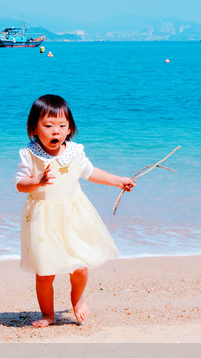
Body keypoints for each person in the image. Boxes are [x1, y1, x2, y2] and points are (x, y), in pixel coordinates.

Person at [15, 94, 135, 327]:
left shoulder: (74, 152)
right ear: (34, 129)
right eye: (48, 126)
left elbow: (90, 172)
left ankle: (77, 299)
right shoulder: (29, 154)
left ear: (70, 129)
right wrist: (36, 180)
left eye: (61, 126)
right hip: (42, 219)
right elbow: (20, 184)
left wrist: (118, 180)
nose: (55, 131)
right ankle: (48, 314)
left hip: (74, 215)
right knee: (45, 272)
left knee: (79, 266)